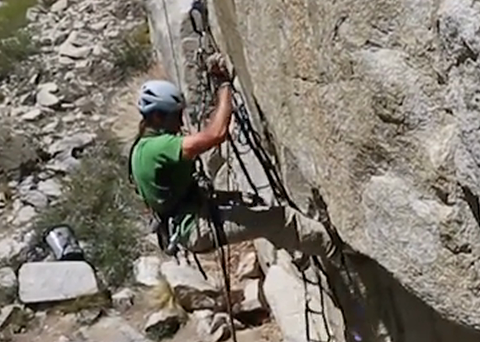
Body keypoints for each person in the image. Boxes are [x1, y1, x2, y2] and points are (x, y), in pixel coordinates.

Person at [128, 54, 335, 262]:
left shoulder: (141, 148)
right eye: (176, 115)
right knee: (281, 219)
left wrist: (230, 197)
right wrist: (224, 85)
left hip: (190, 221)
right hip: (197, 226)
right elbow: (216, 134)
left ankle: (300, 250)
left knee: (258, 209)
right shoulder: (158, 148)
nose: (181, 122)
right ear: (157, 117)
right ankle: (335, 250)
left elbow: (179, 191)